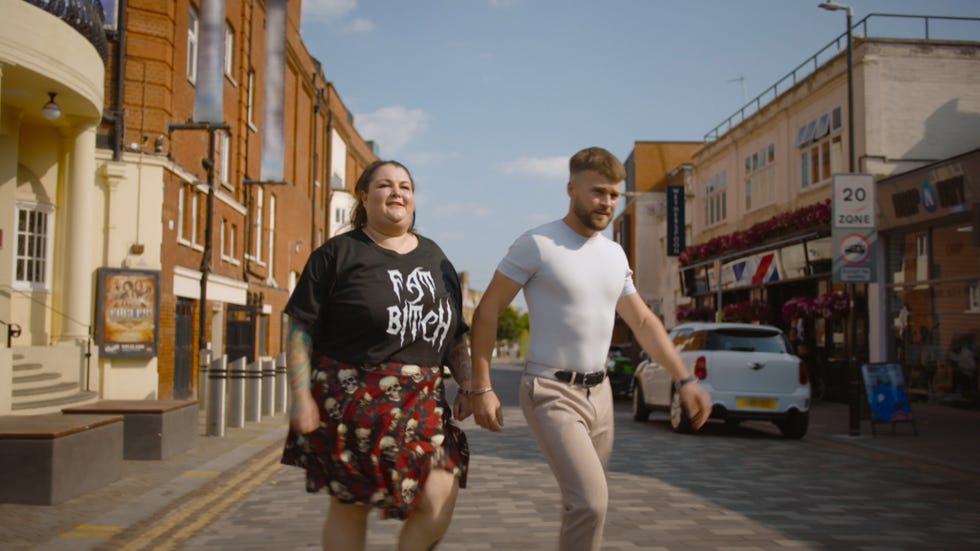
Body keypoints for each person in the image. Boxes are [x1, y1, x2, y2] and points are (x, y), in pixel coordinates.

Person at [467, 146, 712, 551]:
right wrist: (482, 386)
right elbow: (487, 311)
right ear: (571, 189)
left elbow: (644, 322)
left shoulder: (614, 254)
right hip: (549, 390)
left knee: (582, 506)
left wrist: (684, 379)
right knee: (591, 504)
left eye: (614, 194)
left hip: (600, 396)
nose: (607, 202)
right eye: (598, 192)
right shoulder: (538, 244)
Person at [280, 160, 472, 551]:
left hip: (423, 402)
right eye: (385, 185)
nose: (397, 192)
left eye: (405, 186)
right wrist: (300, 397)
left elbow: (454, 333)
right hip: (352, 401)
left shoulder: (436, 258)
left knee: (440, 493)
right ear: (364, 197)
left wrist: (470, 384)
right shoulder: (337, 254)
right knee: (352, 506)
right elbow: (299, 329)